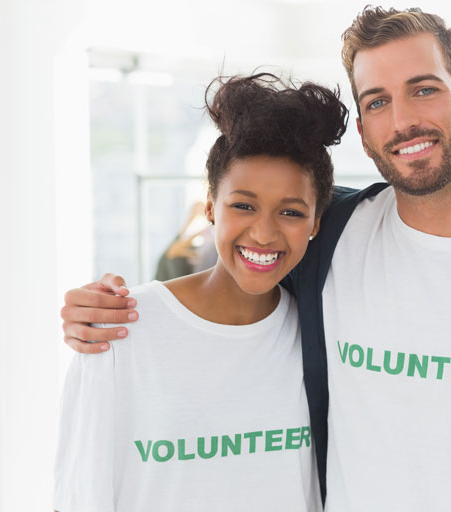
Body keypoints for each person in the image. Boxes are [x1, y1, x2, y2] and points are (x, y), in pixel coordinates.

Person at [57, 6, 451, 511]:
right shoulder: (334, 235)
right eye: (376, 101)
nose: (402, 120)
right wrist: (108, 307)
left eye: (423, 90)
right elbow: (253, 242)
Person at [54, 73, 349, 511]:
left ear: (316, 224)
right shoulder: (119, 331)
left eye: (290, 211)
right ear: (210, 204)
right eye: (243, 205)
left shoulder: (320, 334)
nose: (264, 233)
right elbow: (79, 498)